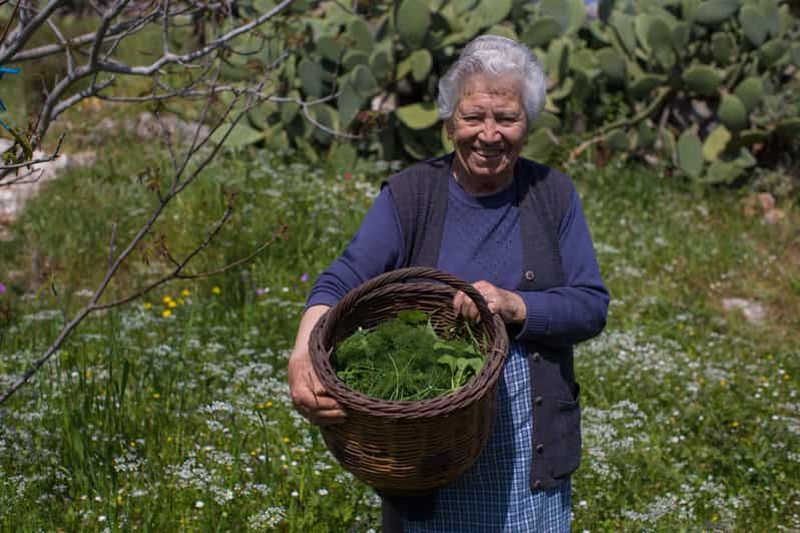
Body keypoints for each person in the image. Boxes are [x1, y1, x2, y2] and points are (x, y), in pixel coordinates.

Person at [288, 35, 609, 532]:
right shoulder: (412, 195)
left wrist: (513, 305)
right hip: (427, 447)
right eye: (473, 116)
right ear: (448, 119)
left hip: (526, 451)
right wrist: (303, 353)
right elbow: (344, 277)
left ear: (528, 124)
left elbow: (590, 306)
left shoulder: (553, 196)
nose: (488, 134)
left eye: (506, 118)